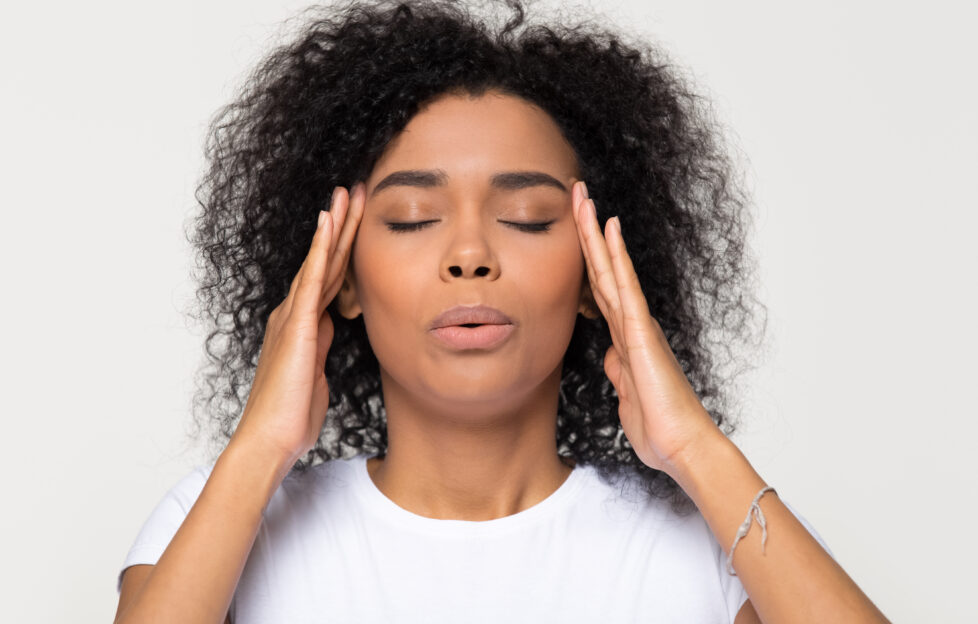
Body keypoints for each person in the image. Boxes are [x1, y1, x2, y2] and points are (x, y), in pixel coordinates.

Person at [113, 1, 890, 622]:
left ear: (596, 275)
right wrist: (261, 445)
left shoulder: (715, 542)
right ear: (339, 278)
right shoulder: (219, 519)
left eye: (527, 218)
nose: (470, 255)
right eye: (414, 217)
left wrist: (694, 447)